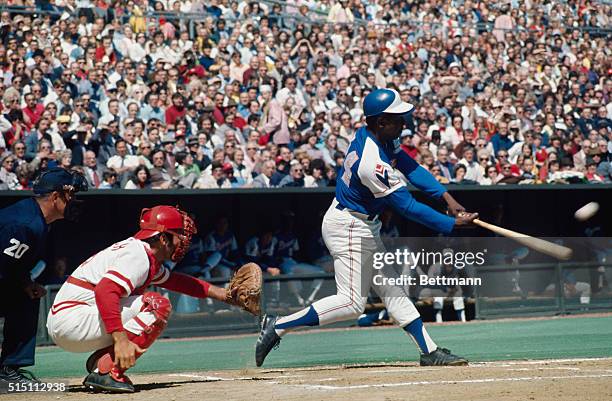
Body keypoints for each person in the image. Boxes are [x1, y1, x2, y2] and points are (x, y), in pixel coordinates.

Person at [256, 88, 477, 367]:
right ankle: (277, 325)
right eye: (397, 119)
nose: (404, 123)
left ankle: (429, 351)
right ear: (381, 122)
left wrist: (447, 198)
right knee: (352, 304)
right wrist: (451, 224)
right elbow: (407, 206)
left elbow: (411, 167)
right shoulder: (371, 162)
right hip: (348, 225)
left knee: (392, 289)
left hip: (362, 225)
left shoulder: (378, 135)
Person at [46, 206, 259, 393]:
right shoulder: (138, 255)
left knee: (148, 300)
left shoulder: (144, 253)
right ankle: (108, 370)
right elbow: (105, 291)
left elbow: (177, 282)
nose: (184, 240)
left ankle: (104, 360)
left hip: (74, 319)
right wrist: (120, 340)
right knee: (157, 305)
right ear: (163, 238)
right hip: (73, 319)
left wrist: (224, 295)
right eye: (179, 235)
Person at [0, 168, 87, 387]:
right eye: (71, 195)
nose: (74, 200)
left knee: (26, 295)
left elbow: (12, 266)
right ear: (56, 196)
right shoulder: (25, 223)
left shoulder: (36, 219)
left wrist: (26, 282)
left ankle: (7, 370)